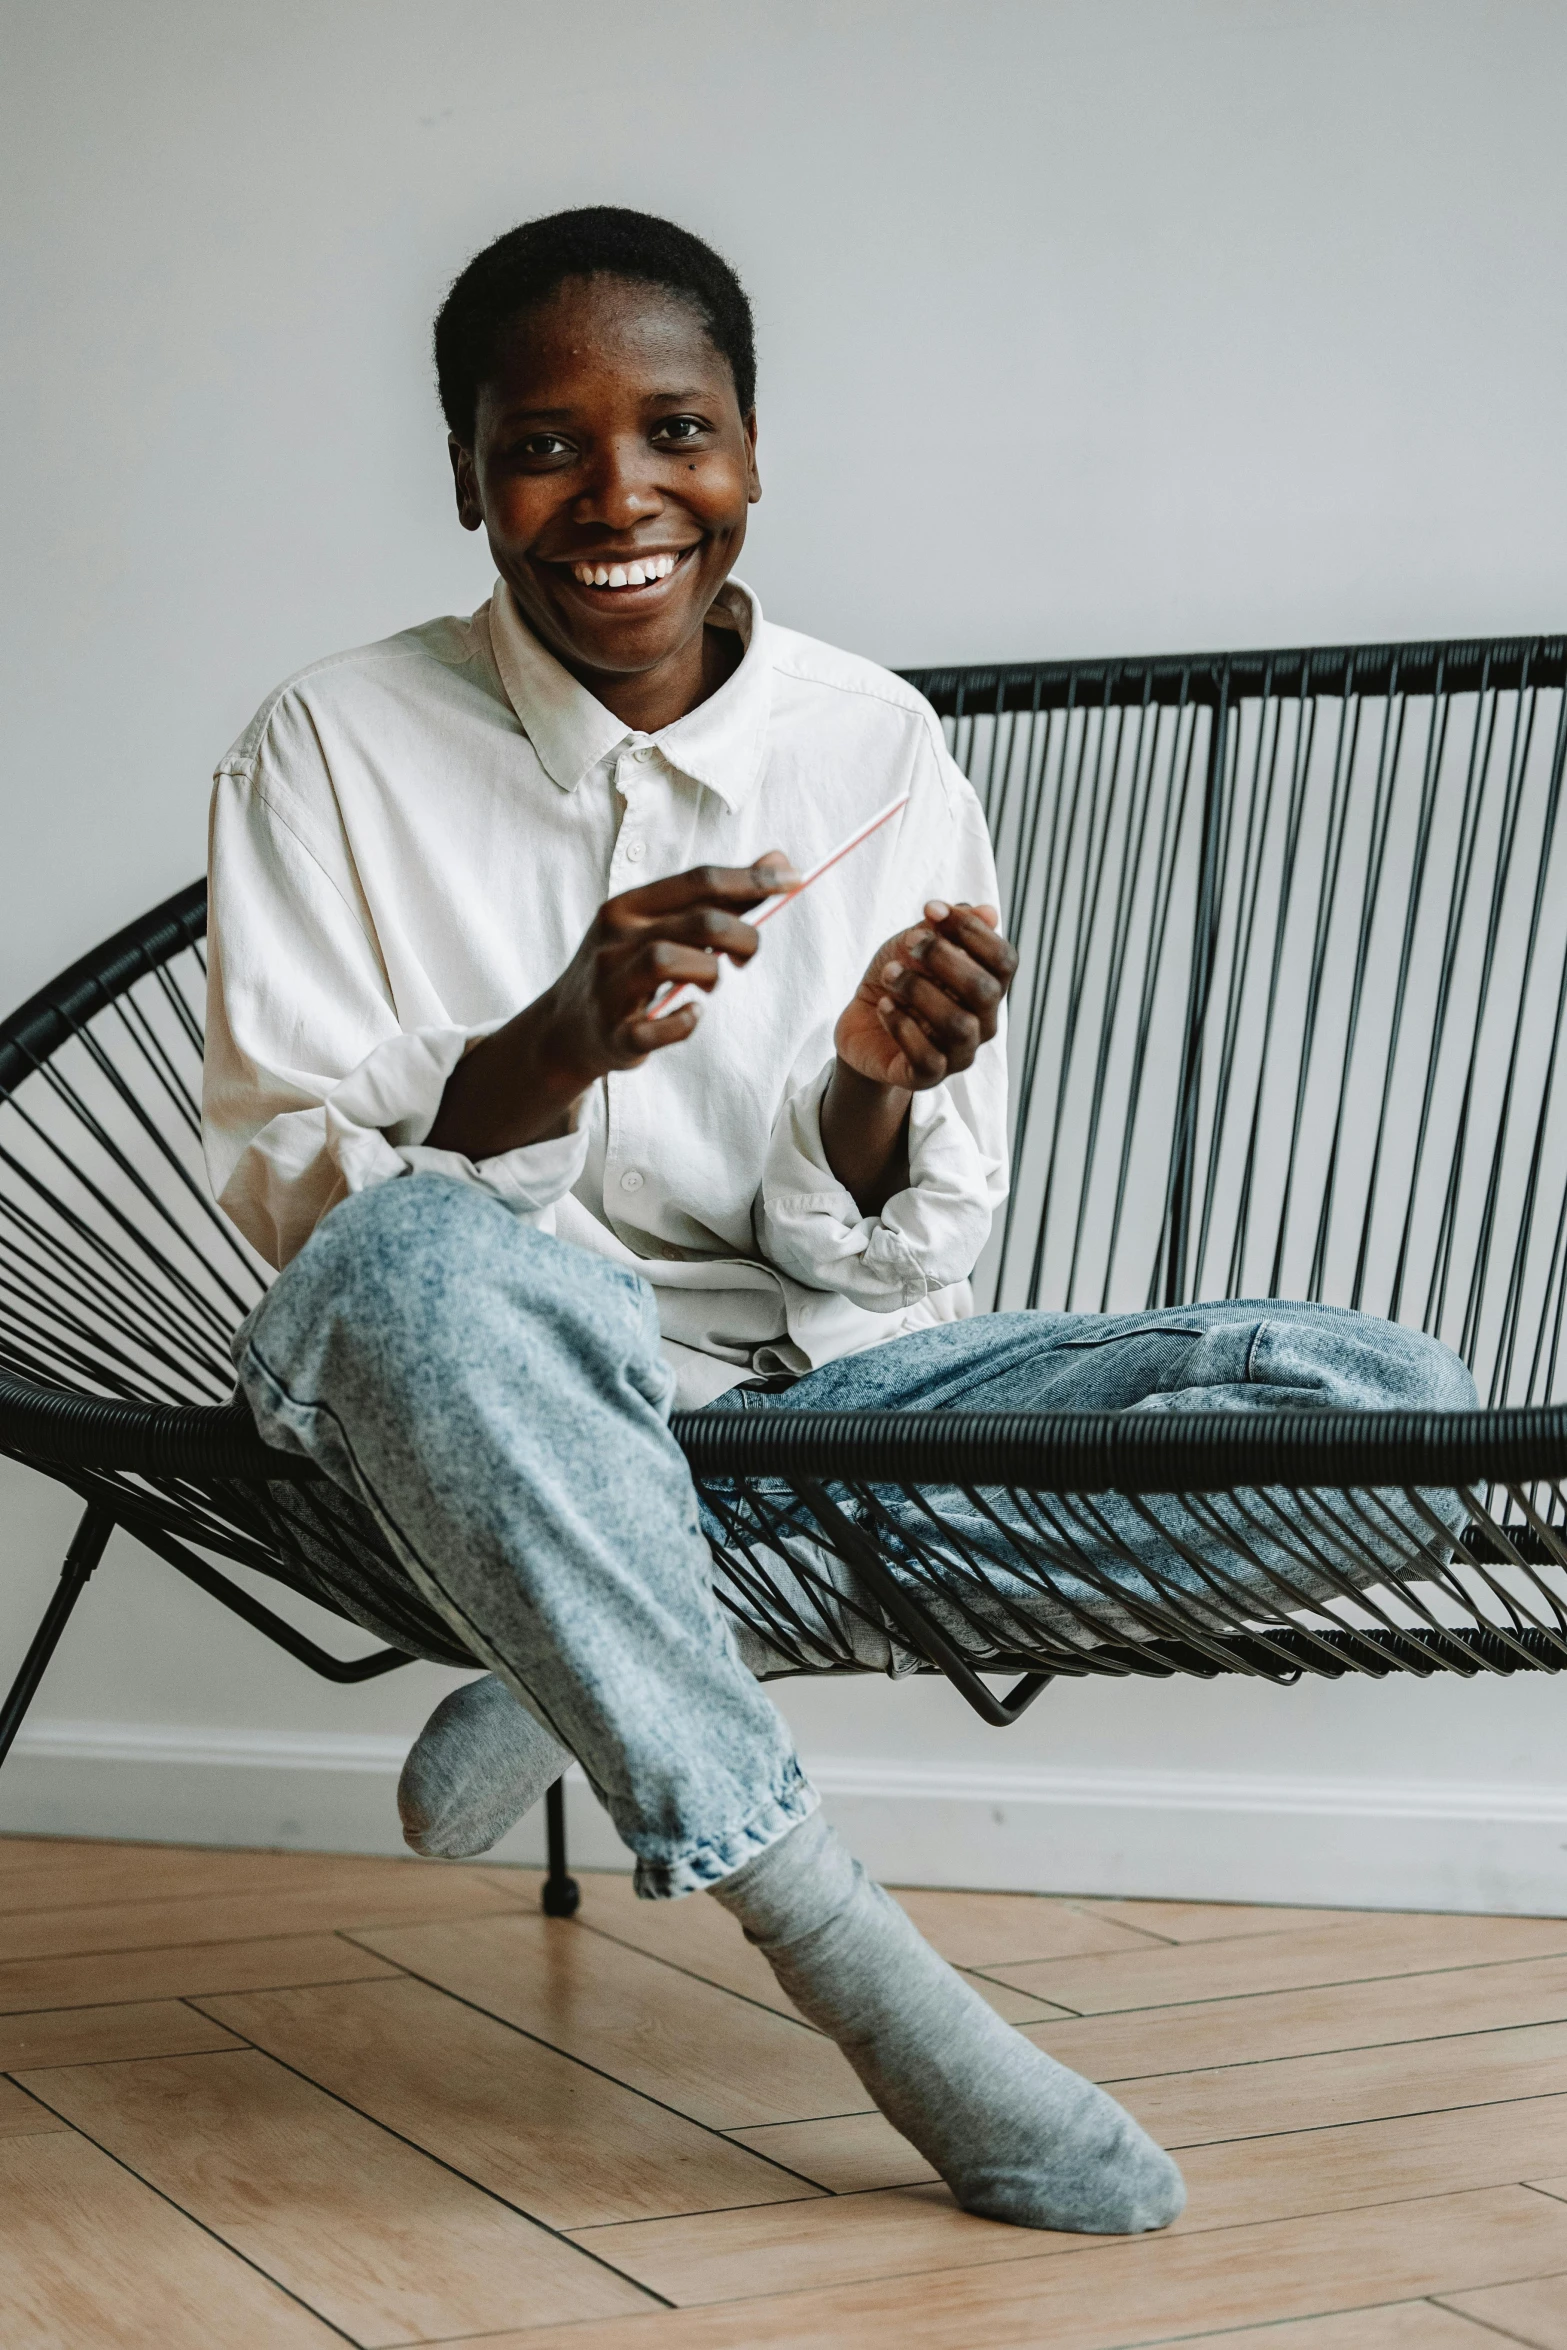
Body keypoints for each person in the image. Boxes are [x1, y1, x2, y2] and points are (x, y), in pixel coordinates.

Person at [203, 205, 1474, 2238]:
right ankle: (855, 1962)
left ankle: (610, 1621)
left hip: (812, 1398)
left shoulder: (876, 739)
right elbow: (305, 1209)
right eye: (544, 442)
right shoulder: (328, 747)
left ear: (755, 451)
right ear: (463, 472)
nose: (619, 494)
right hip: (469, 1385)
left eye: (677, 429)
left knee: (1392, 1401)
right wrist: (548, 1044)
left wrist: (874, 1078)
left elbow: (908, 1266)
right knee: (425, 1261)